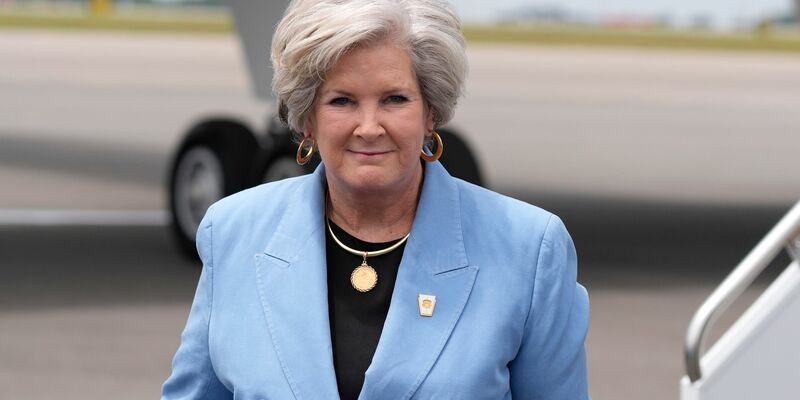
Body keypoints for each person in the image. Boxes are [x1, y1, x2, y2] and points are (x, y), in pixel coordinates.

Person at [161, 0, 590, 398]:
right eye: (342, 101)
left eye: (394, 99)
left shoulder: (530, 248)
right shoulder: (234, 230)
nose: (369, 127)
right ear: (307, 119)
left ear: (431, 113)